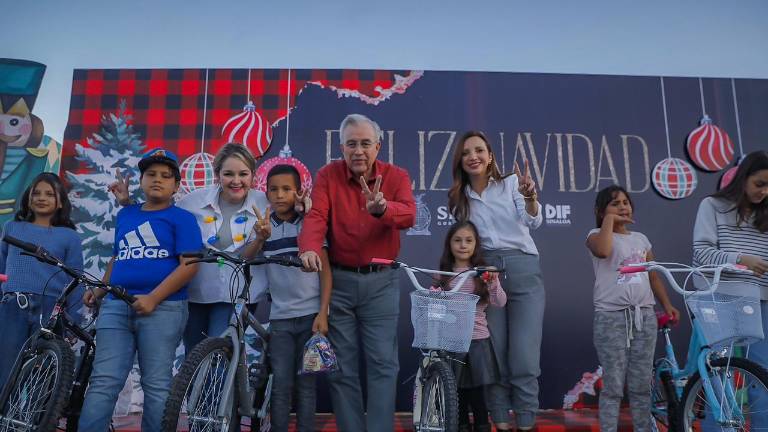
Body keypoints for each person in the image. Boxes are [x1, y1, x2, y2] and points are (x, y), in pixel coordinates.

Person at [109, 143, 306, 350]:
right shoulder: (192, 202)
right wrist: (128, 205)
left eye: (243, 174)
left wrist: (304, 207)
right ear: (218, 174)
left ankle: (225, 382)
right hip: (197, 291)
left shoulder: (265, 202)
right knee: (193, 355)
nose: (236, 181)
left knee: (218, 351)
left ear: (253, 176)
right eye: (229, 174)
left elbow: (293, 213)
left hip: (240, 293)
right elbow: (161, 221)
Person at [298, 113, 415, 432]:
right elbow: (317, 215)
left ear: (378, 146)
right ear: (341, 147)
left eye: (365, 143)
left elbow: (409, 214)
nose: (358, 150)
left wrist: (382, 208)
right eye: (352, 144)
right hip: (339, 282)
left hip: (381, 283)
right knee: (342, 369)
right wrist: (309, 247)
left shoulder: (396, 176)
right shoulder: (327, 175)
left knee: (383, 364)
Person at [79, 149, 201, 431]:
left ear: (176, 185)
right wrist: (99, 291)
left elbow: (190, 265)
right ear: (142, 180)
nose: (157, 180)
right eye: (151, 174)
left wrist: (154, 297)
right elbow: (119, 256)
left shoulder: (182, 219)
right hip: (115, 305)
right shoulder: (127, 214)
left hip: (164, 308)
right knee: (103, 381)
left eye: (165, 176)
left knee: (156, 385)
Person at [447, 130, 542, 430]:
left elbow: (532, 220)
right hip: (487, 276)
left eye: (479, 150)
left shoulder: (512, 183)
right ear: (460, 161)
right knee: (495, 356)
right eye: (466, 153)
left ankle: (526, 422)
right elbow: (464, 244)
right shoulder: (460, 199)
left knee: (525, 360)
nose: (473, 156)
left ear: (490, 156)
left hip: (524, 269)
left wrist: (530, 199)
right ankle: (500, 421)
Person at [241, 164, 331, 432]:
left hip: (311, 320)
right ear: (265, 193)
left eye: (287, 189)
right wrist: (259, 239)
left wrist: (323, 313)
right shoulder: (263, 227)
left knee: (306, 386)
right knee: (281, 385)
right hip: (279, 319)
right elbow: (244, 258)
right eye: (273, 190)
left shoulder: (309, 225)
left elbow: (326, 272)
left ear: (299, 192)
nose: (280, 195)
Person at [586, 185, 679, 432]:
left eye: (625, 202)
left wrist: (667, 305)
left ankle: (643, 428)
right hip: (611, 318)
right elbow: (604, 250)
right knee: (614, 384)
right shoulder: (595, 234)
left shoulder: (641, 239)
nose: (622, 207)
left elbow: (653, 276)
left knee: (640, 384)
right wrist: (608, 221)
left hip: (644, 316)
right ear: (600, 211)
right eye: (614, 204)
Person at [692, 150, 768, 427]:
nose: (764, 191)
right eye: (759, 183)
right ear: (743, 178)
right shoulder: (712, 206)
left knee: (763, 375)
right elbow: (701, 253)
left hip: (761, 299)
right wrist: (740, 260)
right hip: (719, 298)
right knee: (718, 373)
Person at [0, 172, 83, 388]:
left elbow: (76, 279)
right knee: (6, 368)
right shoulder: (12, 228)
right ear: (28, 197)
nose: (41, 197)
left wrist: (73, 318)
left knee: (41, 373)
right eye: (36, 193)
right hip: (12, 306)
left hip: (49, 310)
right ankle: (4, 419)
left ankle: (32, 421)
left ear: (60, 202)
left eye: (49, 194)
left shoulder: (69, 237)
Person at [436, 221, 506, 432]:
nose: (463, 245)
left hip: (477, 341)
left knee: (477, 395)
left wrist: (493, 282)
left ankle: (483, 426)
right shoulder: (444, 274)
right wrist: (435, 296)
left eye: (469, 240)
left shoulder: (483, 273)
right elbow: (436, 307)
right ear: (449, 244)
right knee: (456, 393)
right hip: (451, 342)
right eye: (457, 240)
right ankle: (461, 426)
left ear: (476, 244)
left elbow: (500, 302)